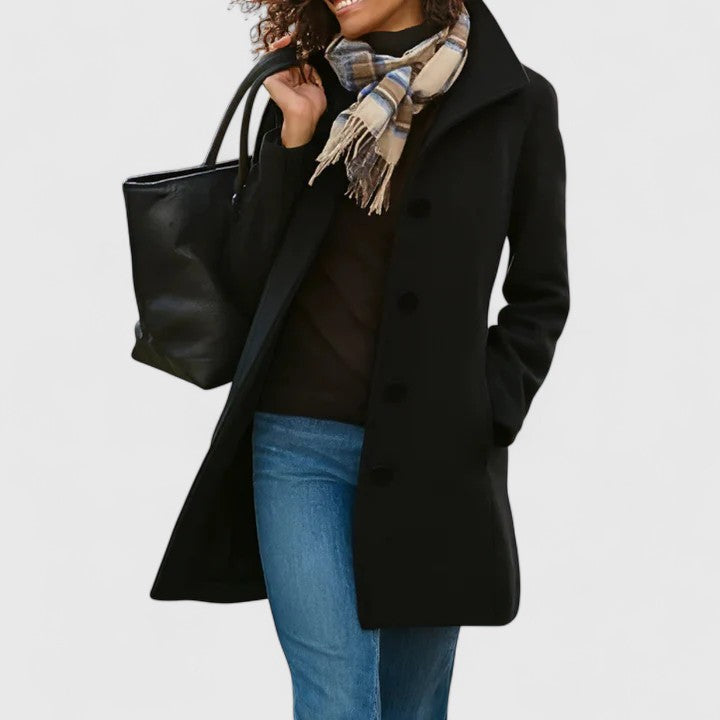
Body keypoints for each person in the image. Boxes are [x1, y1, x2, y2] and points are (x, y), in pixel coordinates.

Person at [150, 0, 570, 717]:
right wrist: (296, 135)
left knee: (410, 706)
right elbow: (247, 280)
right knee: (337, 699)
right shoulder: (311, 89)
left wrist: (487, 410)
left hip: (435, 458)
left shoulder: (516, 101)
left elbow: (540, 293)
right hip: (298, 447)